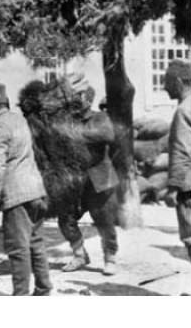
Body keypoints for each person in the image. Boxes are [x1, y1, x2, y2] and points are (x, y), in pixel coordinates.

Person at [0, 82, 53, 296]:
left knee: (17, 248)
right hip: (36, 190)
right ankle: (44, 287)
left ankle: (20, 296)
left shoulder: (0, 126)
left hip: (17, 195)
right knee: (35, 243)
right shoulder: (18, 119)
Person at [58, 86, 121, 275]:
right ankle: (79, 255)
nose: (73, 101)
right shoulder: (68, 119)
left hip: (100, 177)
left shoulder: (100, 117)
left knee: (104, 220)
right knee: (65, 217)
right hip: (75, 179)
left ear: (87, 99)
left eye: (77, 97)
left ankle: (110, 258)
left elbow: (107, 134)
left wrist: (77, 134)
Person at [163, 60, 191, 260]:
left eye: (168, 82)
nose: (164, 87)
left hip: (189, 187)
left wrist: (173, 187)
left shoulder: (184, 110)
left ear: (180, 82)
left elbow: (182, 151)